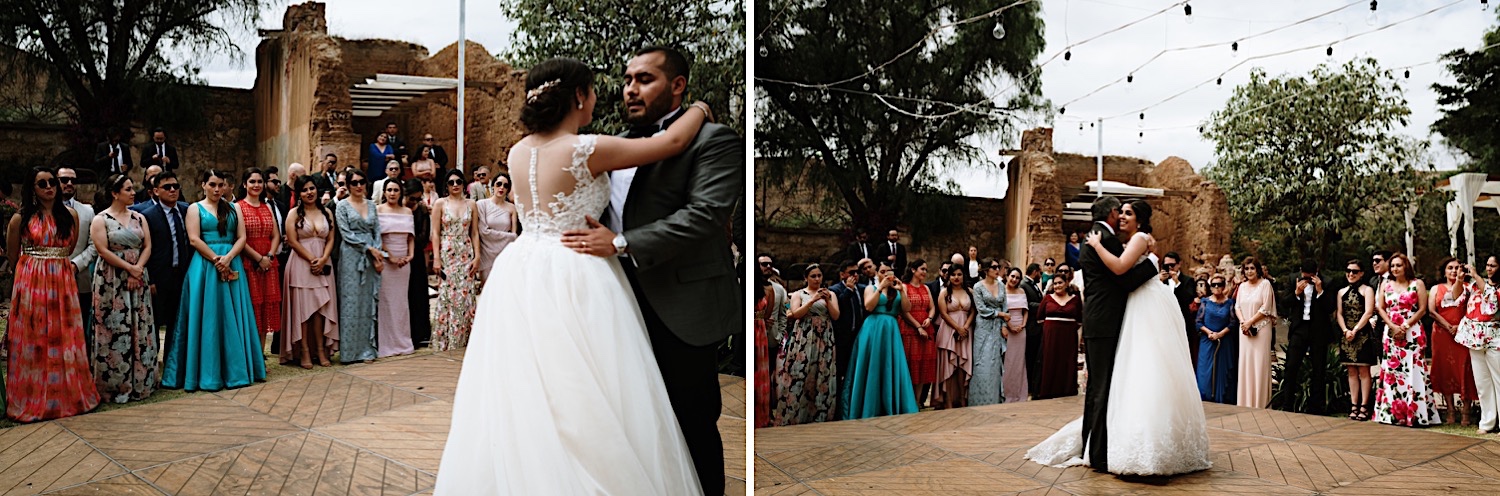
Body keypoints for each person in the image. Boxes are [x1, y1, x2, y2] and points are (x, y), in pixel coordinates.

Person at [434, 56, 715, 494]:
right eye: (593, 91)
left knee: (529, 382)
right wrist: (699, 108)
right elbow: (672, 143)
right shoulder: (586, 148)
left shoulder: (518, 150)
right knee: (590, 384)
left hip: (521, 269)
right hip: (575, 266)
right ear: (579, 96)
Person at [1027, 198, 1211, 476]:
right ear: (1112, 214)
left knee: (1127, 380)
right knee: (1107, 387)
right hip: (1111, 320)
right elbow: (1122, 275)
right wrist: (1149, 262)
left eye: (1129, 213)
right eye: (1121, 212)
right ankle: (1098, 450)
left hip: (1131, 313)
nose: (1123, 216)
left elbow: (1122, 273)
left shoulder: (1125, 239)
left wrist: (1148, 260)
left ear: (1139, 218)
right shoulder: (1108, 240)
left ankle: (1099, 447)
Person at [5, 167, 100, 422]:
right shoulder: (20, 218)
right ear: (32, 189)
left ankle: (65, 396)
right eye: (42, 183)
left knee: (64, 336)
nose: (49, 187)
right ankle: (32, 397)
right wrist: (30, 276)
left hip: (62, 281)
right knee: (34, 338)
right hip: (31, 283)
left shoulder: (69, 216)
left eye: (52, 182)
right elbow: (13, 255)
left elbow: (68, 247)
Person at [161, 170, 266, 392]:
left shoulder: (234, 207)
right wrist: (216, 259)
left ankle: (235, 371)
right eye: (212, 185)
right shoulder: (194, 208)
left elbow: (242, 238)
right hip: (205, 267)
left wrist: (228, 258)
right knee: (207, 317)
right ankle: (206, 373)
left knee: (232, 317)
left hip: (231, 263)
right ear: (203, 185)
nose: (217, 189)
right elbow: (193, 239)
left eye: (220, 185)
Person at [88, 174, 158, 404]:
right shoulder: (101, 219)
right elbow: (102, 250)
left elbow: (147, 245)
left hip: (138, 277)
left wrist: (137, 269)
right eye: (128, 189)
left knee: (140, 325)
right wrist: (129, 268)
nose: (133, 192)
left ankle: (141, 381)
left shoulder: (139, 217)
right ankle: (113, 384)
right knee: (113, 326)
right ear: (114, 193)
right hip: (111, 279)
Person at [1373, 252, 1441, 427]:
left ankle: (1416, 414)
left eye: (1399, 265)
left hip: (1412, 331)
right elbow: (1380, 308)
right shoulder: (1385, 285)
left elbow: (1422, 309)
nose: (1395, 269)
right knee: (1391, 372)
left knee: (1413, 369)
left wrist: (1405, 325)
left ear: (1406, 267)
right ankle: (1391, 414)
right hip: (1391, 332)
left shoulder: (1417, 284)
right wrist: (1392, 326)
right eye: (1393, 266)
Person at [845, 261, 918, 419]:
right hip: (873, 329)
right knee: (873, 365)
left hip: (891, 329)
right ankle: (869, 406)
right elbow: (869, 307)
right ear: (877, 273)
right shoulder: (870, 288)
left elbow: (906, 309)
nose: (886, 274)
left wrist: (902, 291)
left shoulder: (899, 288)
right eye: (883, 271)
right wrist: (880, 287)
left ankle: (892, 403)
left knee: (890, 365)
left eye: (889, 271)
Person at [280, 176, 338, 368]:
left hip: (323, 263)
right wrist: (312, 259)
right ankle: (304, 351)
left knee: (321, 309)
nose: (309, 192)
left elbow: (331, 238)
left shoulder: (327, 212)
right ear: (299, 193)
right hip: (301, 264)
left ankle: (321, 350)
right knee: (303, 311)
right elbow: (293, 240)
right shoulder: (293, 214)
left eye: (312, 188)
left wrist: (322, 260)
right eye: (304, 190)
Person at [772, 263, 839, 426]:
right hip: (803, 336)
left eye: (819, 276)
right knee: (799, 372)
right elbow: (795, 314)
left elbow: (836, 316)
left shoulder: (831, 294)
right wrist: (813, 300)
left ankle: (819, 415)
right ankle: (794, 415)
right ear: (806, 278)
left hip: (824, 337)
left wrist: (827, 301)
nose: (817, 279)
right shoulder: (798, 294)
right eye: (813, 276)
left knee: (821, 373)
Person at [130, 173, 189, 353]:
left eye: (175, 186)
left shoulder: (187, 211)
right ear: (155, 191)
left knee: (178, 321)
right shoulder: (146, 215)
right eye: (167, 187)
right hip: (158, 277)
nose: (172, 190)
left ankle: (174, 361)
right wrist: (151, 279)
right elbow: (144, 249)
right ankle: (153, 361)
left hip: (182, 274)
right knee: (154, 321)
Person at [335, 169, 381, 363]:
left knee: (367, 301)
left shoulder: (372, 205)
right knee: (350, 302)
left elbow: (377, 230)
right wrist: (369, 249)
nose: (359, 185)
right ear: (348, 185)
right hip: (351, 256)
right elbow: (346, 234)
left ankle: (367, 349)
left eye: (362, 181)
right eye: (354, 183)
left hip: (371, 257)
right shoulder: (342, 206)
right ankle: (349, 352)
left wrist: (377, 252)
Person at [432, 168, 480, 351]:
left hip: (466, 251)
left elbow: (475, 232)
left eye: (458, 181)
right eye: (451, 182)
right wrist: (436, 258)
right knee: (448, 295)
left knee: (466, 295)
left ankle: (465, 340)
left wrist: (477, 256)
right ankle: (447, 341)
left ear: (463, 184)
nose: (455, 185)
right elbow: (435, 232)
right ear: (446, 185)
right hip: (448, 251)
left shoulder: (472, 204)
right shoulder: (440, 204)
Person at [236, 168, 283, 356]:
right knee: (251, 309)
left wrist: (270, 256)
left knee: (265, 309)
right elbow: (240, 238)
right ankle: (249, 356)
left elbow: (276, 235)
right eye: (252, 181)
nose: (256, 185)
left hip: (269, 264)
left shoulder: (268, 206)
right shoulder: (238, 206)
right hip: (249, 263)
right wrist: (259, 259)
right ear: (244, 184)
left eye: (259, 182)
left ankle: (260, 356)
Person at [1277, 259, 1334, 414]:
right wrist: (1296, 293)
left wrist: (1320, 291)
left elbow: (1330, 307)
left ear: (1315, 273)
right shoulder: (1293, 279)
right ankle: (1287, 404)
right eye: (1304, 275)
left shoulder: (1327, 281)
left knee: (1318, 368)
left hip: (1318, 330)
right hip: (1299, 329)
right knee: (1291, 366)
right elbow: (1283, 303)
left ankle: (1316, 407)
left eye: (1309, 276)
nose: (1306, 279)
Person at [1431, 257, 1479, 426]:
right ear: (1444, 271)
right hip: (1442, 334)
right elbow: (1431, 311)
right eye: (1450, 268)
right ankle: (1450, 410)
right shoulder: (1436, 288)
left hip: (1463, 333)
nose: (1453, 271)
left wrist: (1460, 326)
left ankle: (1466, 411)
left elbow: (1473, 308)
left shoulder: (1468, 287)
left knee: (1464, 370)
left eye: (1457, 268)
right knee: (1445, 370)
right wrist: (1448, 326)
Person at [57, 167, 98, 349]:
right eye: (64, 180)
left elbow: (94, 244)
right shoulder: (40, 211)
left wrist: (76, 264)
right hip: (48, 279)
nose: (70, 184)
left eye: (73, 180)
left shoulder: (87, 211)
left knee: (79, 328)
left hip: (79, 279)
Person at [1459, 255, 1500, 433]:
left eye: (1493, 265)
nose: (1489, 268)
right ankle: (1487, 422)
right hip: (1474, 337)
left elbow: (1492, 304)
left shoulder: (1490, 286)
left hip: (1495, 337)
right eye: (1487, 265)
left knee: (1499, 380)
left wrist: (1476, 275)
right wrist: (1460, 279)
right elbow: (1455, 297)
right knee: (1482, 383)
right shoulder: (1475, 285)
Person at [376, 180, 415, 358]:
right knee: (386, 303)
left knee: (401, 303)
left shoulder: (407, 211)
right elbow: (377, 237)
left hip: (404, 262)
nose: (392, 193)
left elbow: (410, 237)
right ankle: (387, 345)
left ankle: (403, 342)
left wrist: (410, 255)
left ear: (401, 192)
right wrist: (389, 256)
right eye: (389, 190)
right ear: (384, 192)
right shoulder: (378, 210)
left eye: (396, 190)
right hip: (386, 261)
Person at [1337, 259, 1377, 421]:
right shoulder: (1341, 291)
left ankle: (1364, 406)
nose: (1351, 274)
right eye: (1348, 271)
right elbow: (1339, 313)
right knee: (1351, 370)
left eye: (1354, 271)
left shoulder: (1367, 290)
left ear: (1361, 273)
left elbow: (1368, 312)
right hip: (1346, 334)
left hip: (1362, 333)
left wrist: (1355, 330)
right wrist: (1345, 330)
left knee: (1364, 370)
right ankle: (1354, 405)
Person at [1234, 256, 1276, 409]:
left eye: (1252, 268)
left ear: (1258, 270)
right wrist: (1243, 323)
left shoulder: (1265, 285)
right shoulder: (1242, 286)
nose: (1249, 271)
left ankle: (1260, 402)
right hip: (1244, 330)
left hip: (1261, 329)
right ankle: (1244, 402)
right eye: (1246, 269)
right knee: (1245, 363)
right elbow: (1237, 307)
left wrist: (1250, 322)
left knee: (1259, 363)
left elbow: (1266, 308)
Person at [827, 259, 865, 416]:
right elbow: (837, 310)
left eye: (857, 272)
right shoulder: (834, 290)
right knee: (839, 372)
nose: (855, 275)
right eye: (851, 272)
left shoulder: (862, 289)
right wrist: (848, 290)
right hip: (841, 337)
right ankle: (836, 408)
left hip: (858, 336)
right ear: (842, 274)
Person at [1037, 269, 1081, 400]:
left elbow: (1080, 319)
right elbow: (1039, 317)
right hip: (1051, 336)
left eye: (1060, 283)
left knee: (1066, 362)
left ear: (1067, 283)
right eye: (1055, 283)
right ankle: (1048, 391)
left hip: (1068, 336)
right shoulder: (1047, 299)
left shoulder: (1075, 300)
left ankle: (1066, 391)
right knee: (1050, 361)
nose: (1057, 286)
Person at [969, 258, 1007, 406]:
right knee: (982, 362)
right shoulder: (978, 287)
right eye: (994, 267)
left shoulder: (1001, 285)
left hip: (998, 327)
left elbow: (1005, 306)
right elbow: (981, 309)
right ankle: (978, 400)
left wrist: (1004, 325)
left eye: (998, 267)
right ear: (986, 270)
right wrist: (1000, 315)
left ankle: (995, 398)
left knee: (995, 362)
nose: (997, 269)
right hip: (984, 327)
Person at [935, 265, 974, 409]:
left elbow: (973, 311)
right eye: (953, 275)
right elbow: (943, 314)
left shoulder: (970, 292)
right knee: (949, 367)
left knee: (962, 368)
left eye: (959, 274)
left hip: (965, 331)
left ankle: (962, 400)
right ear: (948, 276)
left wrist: (965, 327)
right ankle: (948, 401)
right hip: (948, 332)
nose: (956, 277)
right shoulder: (944, 293)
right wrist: (957, 328)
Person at [1196, 274, 1239, 404]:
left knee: (1223, 371)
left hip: (1224, 341)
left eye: (1219, 284)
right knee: (1205, 371)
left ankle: (1222, 399)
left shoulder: (1230, 303)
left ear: (1224, 286)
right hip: (1207, 340)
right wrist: (1209, 333)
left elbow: (1233, 323)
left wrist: (1220, 334)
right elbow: (1198, 322)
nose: (1216, 287)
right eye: (1213, 285)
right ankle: (1205, 397)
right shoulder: (1205, 302)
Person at [899, 260, 937, 407]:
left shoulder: (926, 288)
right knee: (910, 364)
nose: (924, 272)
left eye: (926, 270)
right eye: (922, 269)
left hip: (926, 328)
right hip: (910, 329)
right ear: (913, 270)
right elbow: (904, 311)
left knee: (924, 365)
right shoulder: (904, 287)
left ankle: (918, 400)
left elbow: (932, 307)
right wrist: (918, 327)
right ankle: (907, 400)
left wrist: (930, 318)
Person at [404, 180, 433, 349]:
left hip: (417, 259)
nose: (414, 202)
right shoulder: (400, 210)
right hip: (399, 256)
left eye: (417, 199)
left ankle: (420, 333)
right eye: (411, 198)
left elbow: (423, 236)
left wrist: (409, 243)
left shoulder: (422, 211)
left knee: (418, 295)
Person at [475, 172, 519, 283]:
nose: (501, 188)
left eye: (505, 185)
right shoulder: (481, 204)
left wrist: (509, 237)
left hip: (505, 254)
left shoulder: (512, 208)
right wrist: (507, 236)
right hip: (486, 253)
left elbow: (514, 236)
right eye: (499, 184)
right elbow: (483, 231)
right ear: (493, 185)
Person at [1002, 267, 1030, 403]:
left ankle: (1019, 393)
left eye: (1017, 278)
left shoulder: (1022, 291)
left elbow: (1025, 311)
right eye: (1012, 276)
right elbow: (1000, 311)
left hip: (1021, 330)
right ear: (1007, 276)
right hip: (1007, 329)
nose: (1014, 279)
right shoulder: (1001, 291)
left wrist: (1023, 325)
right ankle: (1007, 394)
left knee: (1019, 362)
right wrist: (1009, 326)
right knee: (1008, 361)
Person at [754, 274, 774, 429]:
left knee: (759, 373)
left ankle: (759, 415)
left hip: (759, 331)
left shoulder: (768, 288)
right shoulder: (767, 289)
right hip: (757, 328)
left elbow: (769, 313)